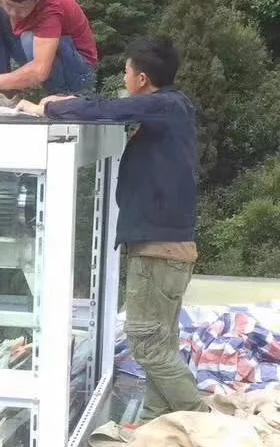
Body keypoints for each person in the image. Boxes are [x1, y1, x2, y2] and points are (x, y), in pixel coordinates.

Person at [17, 36, 207, 424]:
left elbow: (111, 109)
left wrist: (50, 107)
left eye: (126, 72)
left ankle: (201, 421)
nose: (125, 78)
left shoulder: (166, 105)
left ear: (140, 78)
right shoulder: (173, 108)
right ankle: (158, 418)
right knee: (161, 342)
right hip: (166, 249)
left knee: (146, 345)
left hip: (159, 252)